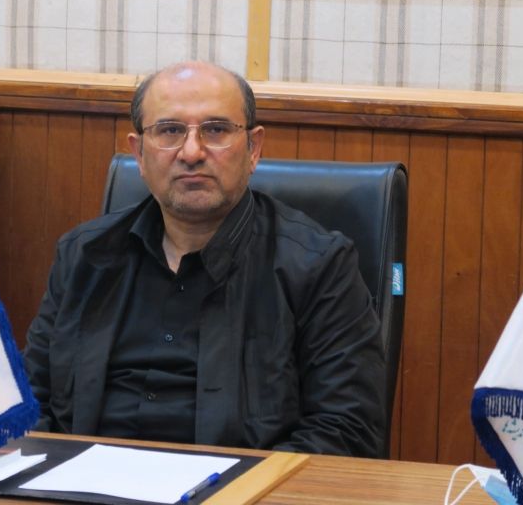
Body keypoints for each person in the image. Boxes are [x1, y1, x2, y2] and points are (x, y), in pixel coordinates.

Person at [23, 61, 386, 456]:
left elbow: (345, 431)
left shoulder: (319, 266)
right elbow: (25, 401)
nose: (192, 152)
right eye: (169, 131)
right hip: (80, 482)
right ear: (139, 153)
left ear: (253, 149)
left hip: (241, 487)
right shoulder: (84, 255)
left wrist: (238, 487)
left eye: (215, 130)